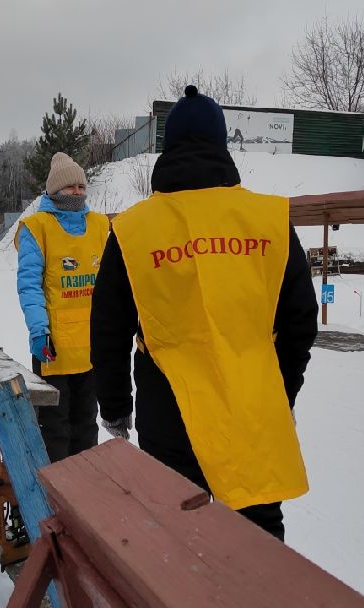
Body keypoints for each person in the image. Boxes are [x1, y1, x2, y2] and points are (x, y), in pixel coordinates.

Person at [90, 86, 319, 541]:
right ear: (222, 145)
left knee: (179, 539)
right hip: (252, 407)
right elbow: (300, 321)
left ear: (168, 147)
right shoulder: (268, 221)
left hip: (170, 411)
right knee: (256, 542)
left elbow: (108, 329)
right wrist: (283, 393)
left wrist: (116, 409)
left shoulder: (134, 230)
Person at [16, 152, 110, 462]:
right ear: (55, 190)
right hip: (53, 349)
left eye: (81, 187)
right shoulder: (36, 227)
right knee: (54, 428)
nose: (78, 192)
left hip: (90, 347)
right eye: (71, 187)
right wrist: (38, 331)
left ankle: (86, 493)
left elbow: (111, 284)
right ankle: (56, 495)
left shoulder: (99, 225)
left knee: (86, 425)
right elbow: (29, 285)